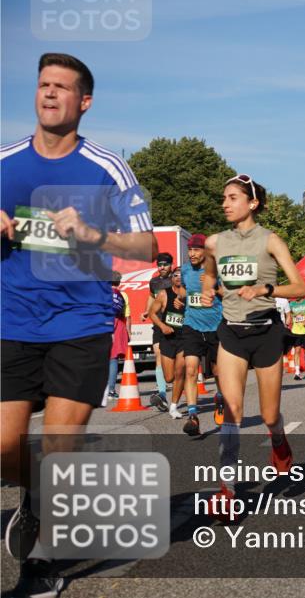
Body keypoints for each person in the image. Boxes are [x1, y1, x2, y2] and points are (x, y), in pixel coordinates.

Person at [1, 52, 155, 596]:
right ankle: (42, 496)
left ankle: (41, 563)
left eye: (62, 87)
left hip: (80, 321)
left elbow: (148, 242)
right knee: (4, 447)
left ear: (83, 102)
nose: (49, 94)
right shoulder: (4, 161)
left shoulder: (109, 168)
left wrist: (96, 236)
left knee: (61, 443)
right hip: (12, 320)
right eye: (43, 84)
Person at [198, 173, 305, 521]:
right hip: (231, 333)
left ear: (252, 203)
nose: (225, 203)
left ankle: (278, 440)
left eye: (232, 198)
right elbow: (210, 274)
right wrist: (207, 287)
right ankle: (226, 490)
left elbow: (300, 287)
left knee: (271, 415)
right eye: (224, 197)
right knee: (233, 412)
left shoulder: (270, 241)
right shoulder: (215, 242)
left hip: (265, 334)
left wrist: (265, 291)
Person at [179, 233, 223, 434]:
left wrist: (214, 285)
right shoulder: (186, 270)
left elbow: (228, 293)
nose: (192, 253)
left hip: (215, 326)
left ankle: (220, 399)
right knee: (190, 369)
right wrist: (179, 299)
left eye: (196, 249)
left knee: (217, 372)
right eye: (190, 249)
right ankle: (193, 415)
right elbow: (183, 290)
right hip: (191, 325)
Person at [149, 267, 187, 417]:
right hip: (168, 339)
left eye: (181, 275)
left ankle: (173, 406)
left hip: (184, 338)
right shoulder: (164, 294)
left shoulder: (190, 294)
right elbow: (152, 313)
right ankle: (169, 399)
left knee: (180, 373)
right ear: (171, 278)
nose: (178, 277)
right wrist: (163, 326)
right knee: (169, 377)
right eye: (175, 275)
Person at [144, 252, 174, 411]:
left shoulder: (175, 279)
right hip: (158, 323)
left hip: (174, 324)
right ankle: (162, 394)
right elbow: (151, 297)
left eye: (165, 264)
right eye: (159, 265)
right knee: (158, 355)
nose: (162, 267)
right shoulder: (153, 281)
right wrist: (147, 311)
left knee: (174, 360)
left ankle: (178, 394)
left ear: (171, 265)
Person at [104, 271, 131, 405]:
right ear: (119, 282)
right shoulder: (123, 295)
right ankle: (111, 390)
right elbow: (127, 315)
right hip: (118, 324)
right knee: (113, 358)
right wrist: (129, 332)